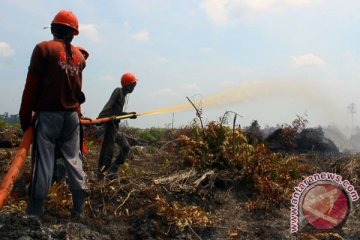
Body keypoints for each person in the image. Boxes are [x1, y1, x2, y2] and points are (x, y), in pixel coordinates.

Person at [19, 10, 90, 219]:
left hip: (49, 117)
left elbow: (30, 87)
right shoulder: (79, 57)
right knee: (74, 161)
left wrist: (25, 120)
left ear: (53, 29)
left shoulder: (43, 49)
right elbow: (77, 92)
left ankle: (34, 215)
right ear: (73, 34)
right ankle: (79, 211)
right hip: (71, 119)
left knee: (43, 163)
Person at [53, 46, 90, 184]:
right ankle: (62, 181)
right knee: (63, 152)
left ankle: (63, 180)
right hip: (62, 117)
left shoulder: (73, 75)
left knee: (67, 152)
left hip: (71, 118)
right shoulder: (65, 73)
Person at [97, 72, 138, 179]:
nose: (134, 87)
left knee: (125, 147)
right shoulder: (118, 91)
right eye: (133, 85)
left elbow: (118, 114)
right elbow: (109, 105)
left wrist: (130, 115)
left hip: (115, 127)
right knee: (108, 152)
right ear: (128, 85)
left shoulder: (123, 96)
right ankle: (101, 175)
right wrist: (100, 119)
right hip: (110, 126)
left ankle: (113, 170)